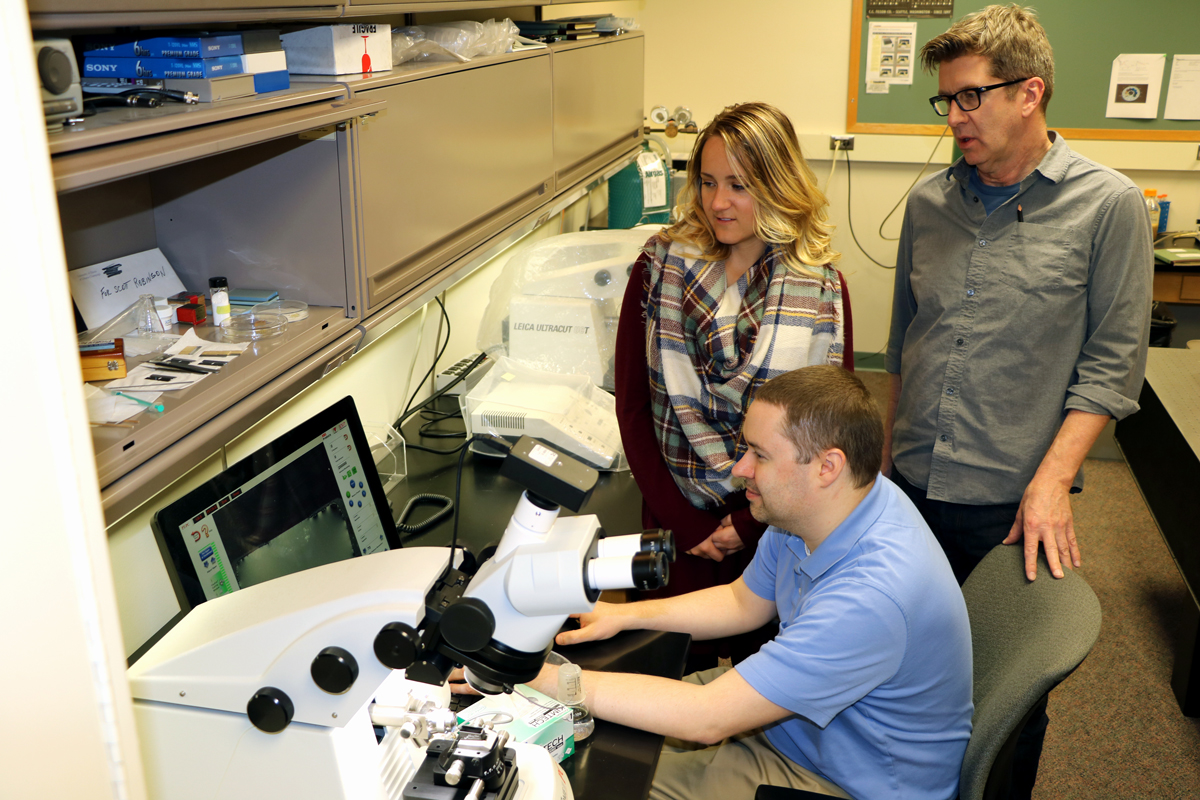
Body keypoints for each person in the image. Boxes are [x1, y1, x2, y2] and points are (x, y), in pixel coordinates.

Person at [473, 366, 972, 800]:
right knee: (598, 733)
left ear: (827, 466)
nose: (740, 470)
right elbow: (743, 602)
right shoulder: (832, 505)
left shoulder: (873, 596)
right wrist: (623, 613)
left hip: (844, 780)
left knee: (595, 779)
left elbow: (706, 718)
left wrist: (530, 676)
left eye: (759, 454)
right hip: (804, 726)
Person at [884, 6, 1152, 797]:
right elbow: (905, 342)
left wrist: (1051, 480)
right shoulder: (930, 204)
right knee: (905, 668)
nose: (955, 118)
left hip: (1012, 500)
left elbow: (1112, 366)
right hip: (912, 486)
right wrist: (883, 467)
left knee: (1004, 694)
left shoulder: (1108, 207)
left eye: (971, 97)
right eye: (947, 101)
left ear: (1029, 92)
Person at [614, 103, 851, 665]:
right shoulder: (657, 268)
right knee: (664, 674)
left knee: (759, 688)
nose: (718, 202)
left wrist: (745, 523)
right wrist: (688, 521)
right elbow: (632, 405)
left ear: (777, 185)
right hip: (675, 516)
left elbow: (823, 432)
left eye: (739, 185)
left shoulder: (820, 291)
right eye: (707, 181)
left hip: (775, 528)